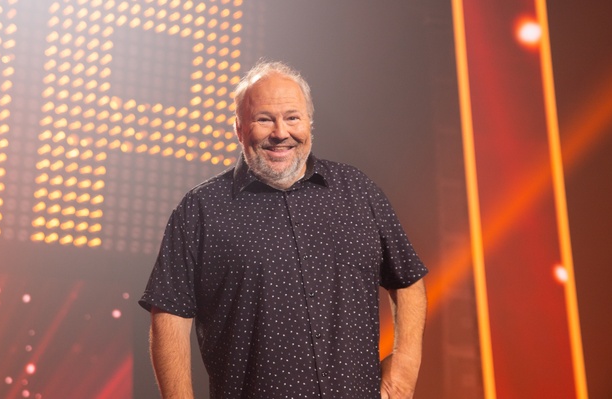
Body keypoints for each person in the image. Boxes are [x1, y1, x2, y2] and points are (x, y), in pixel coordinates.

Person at [139, 60, 428, 399]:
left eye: (292, 117)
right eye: (264, 119)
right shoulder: (201, 210)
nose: (280, 133)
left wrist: (403, 370)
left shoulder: (358, 191)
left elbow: (408, 279)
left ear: (309, 123)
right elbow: (169, 317)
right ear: (239, 128)